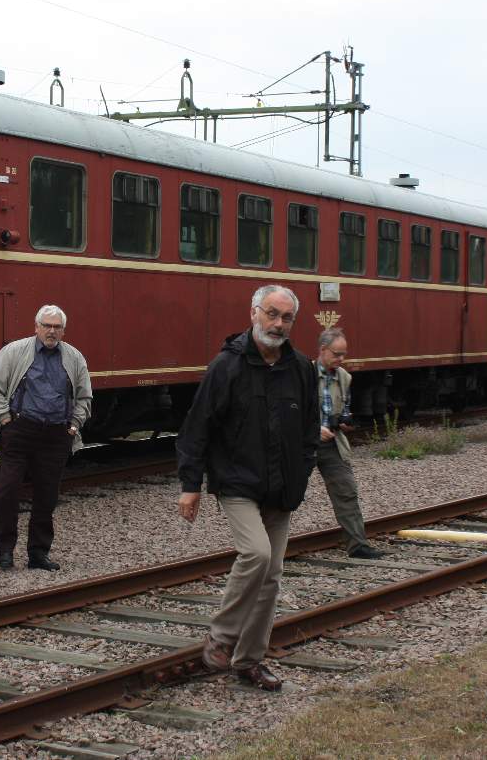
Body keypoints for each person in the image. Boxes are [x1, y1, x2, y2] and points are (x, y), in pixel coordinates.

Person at [176, 285, 319, 691]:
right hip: (238, 483)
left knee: (271, 576)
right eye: (271, 314)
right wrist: (191, 486)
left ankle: (249, 661)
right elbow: (196, 428)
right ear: (254, 312)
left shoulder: (302, 368)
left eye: (286, 317)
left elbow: (310, 428)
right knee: (257, 554)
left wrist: (304, 470)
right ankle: (222, 637)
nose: (277, 324)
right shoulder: (226, 367)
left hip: (283, 488)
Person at [0, 305, 92, 571]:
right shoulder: (14, 352)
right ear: (36, 327)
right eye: (47, 325)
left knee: (47, 496)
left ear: (63, 331)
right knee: (6, 491)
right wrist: (5, 418)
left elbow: (84, 397)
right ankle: (5, 552)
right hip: (20, 430)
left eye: (56, 327)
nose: (51, 331)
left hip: (56, 434)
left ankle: (38, 554)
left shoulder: (75, 358)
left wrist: (74, 426)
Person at [315, 328, 383, 559]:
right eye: (337, 354)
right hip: (303, 444)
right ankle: (269, 550)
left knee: (347, 491)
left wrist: (344, 422)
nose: (341, 359)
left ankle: (357, 545)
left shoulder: (344, 377)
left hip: (332, 443)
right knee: (286, 495)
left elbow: (344, 409)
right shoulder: (303, 374)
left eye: (344, 354)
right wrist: (313, 428)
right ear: (323, 351)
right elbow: (289, 411)